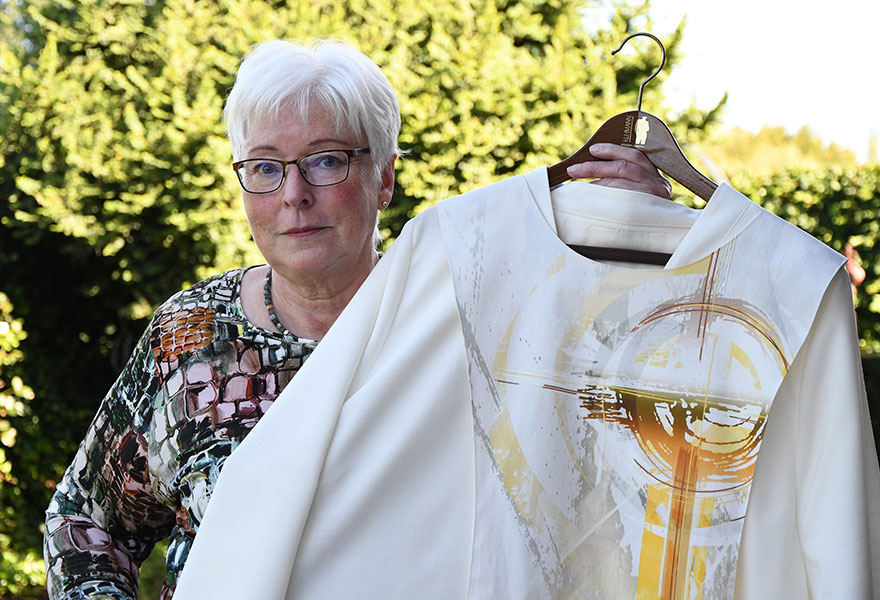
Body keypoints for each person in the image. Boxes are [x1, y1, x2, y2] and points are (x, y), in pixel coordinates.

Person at [43, 39, 672, 599]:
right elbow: (86, 521)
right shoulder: (190, 338)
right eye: (265, 167)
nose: (294, 194)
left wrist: (636, 239)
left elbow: (624, 453)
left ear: (385, 177)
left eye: (326, 160)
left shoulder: (468, 322)